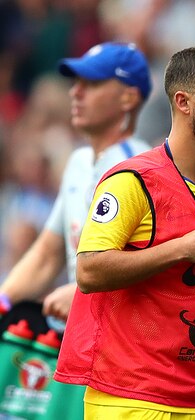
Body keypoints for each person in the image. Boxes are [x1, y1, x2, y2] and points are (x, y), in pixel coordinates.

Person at [54, 46, 195, 420]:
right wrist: (180, 250)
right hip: (130, 397)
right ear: (183, 102)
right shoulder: (131, 181)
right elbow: (88, 272)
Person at [0, 42, 153, 331]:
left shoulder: (144, 167)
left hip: (128, 342)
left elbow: (156, 270)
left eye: (92, 83)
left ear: (128, 98)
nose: (76, 92)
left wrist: (82, 295)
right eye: (76, 83)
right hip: (84, 338)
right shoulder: (78, 161)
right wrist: (2, 302)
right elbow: (47, 254)